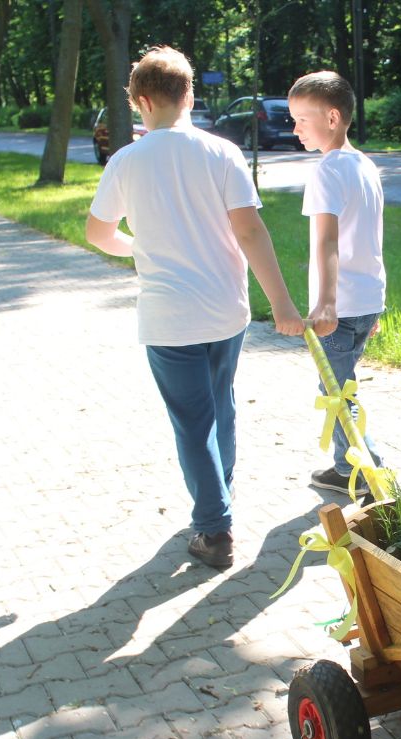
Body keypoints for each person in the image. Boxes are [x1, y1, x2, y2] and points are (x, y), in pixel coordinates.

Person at [85, 46, 305, 569]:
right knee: (221, 408)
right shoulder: (221, 153)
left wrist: (136, 247)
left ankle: (213, 528)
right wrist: (281, 303)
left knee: (192, 421)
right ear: (189, 95)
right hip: (226, 311)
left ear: (141, 101)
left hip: (167, 318)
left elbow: (98, 232)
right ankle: (219, 499)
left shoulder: (126, 160)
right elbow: (249, 231)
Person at [288, 70, 387, 496]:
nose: (294, 129)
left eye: (301, 120)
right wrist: (375, 304)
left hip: (342, 306)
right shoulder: (364, 165)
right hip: (365, 301)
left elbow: (327, 240)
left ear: (332, 117)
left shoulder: (328, 171)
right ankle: (345, 468)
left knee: (337, 393)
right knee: (341, 385)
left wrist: (325, 303)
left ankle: (367, 470)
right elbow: (371, 238)